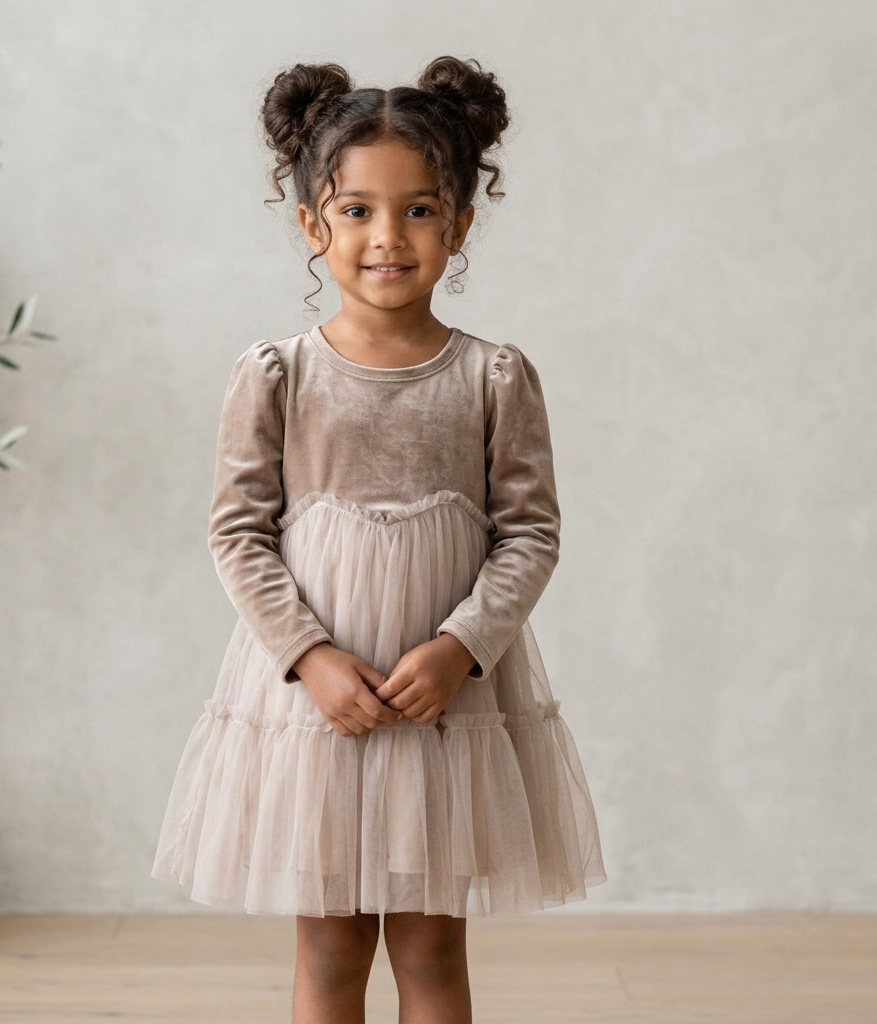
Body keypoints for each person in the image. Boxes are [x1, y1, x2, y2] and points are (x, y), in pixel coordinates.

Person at [153, 55, 606, 1024]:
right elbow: (237, 531)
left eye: (418, 210)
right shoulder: (276, 374)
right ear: (313, 225)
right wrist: (308, 657)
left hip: (442, 705)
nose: (386, 236)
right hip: (320, 704)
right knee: (328, 941)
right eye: (356, 210)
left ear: (461, 222)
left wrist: (460, 648)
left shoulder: (494, 376)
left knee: (432, 941)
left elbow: (529, 531)